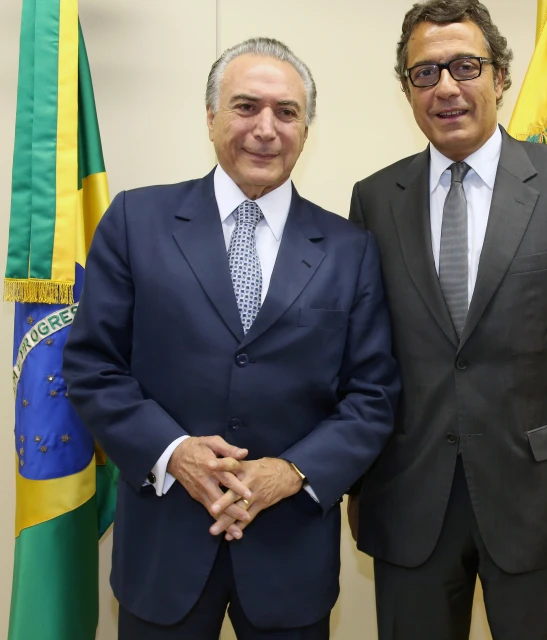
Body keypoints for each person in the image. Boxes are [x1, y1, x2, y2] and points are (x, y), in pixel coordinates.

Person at [63, 37, 398, 640]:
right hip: (162, 553)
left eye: (287, 112)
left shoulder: (350, 250)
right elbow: (92, 366)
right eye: (246, 107)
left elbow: (372, 396)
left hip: (289, 556)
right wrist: (174, 454)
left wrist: (293, 470)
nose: (266, 128)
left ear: (306, 128)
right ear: (211, 118)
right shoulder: (135, 222)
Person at [347, 1, 547, 638]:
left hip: (542, 502)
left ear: (500, 77)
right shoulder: (373, 199)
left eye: (465, 66)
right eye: (425, 73)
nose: (445, 86)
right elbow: (361, 359)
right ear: (408, 91)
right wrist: (359, 485)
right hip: (408, 497)